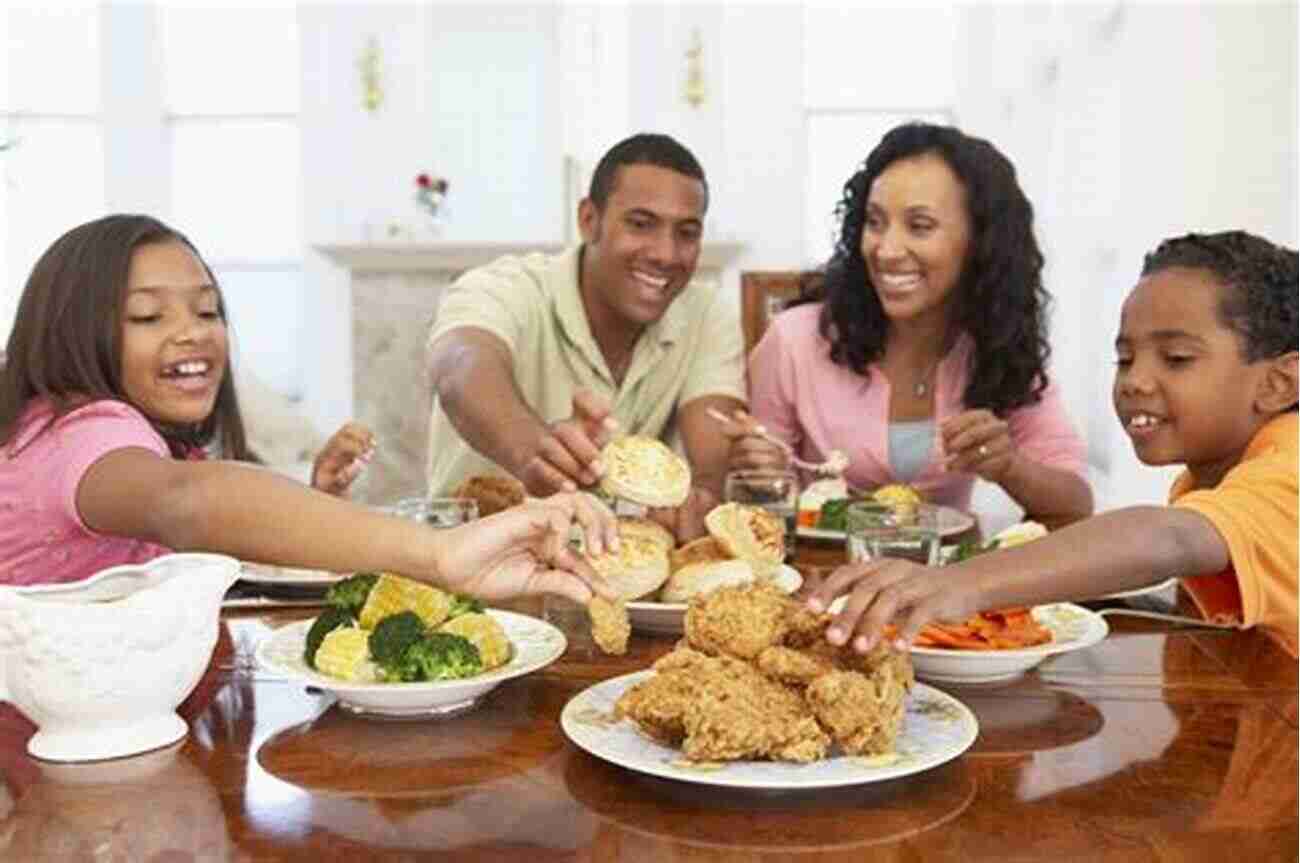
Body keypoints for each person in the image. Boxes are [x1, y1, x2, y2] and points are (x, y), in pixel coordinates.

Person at [0, 214, 618, 606]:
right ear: (72, 329)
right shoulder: (84, 431)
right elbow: (185, 502)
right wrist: (439, 554)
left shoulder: (112, 444)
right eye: (147, 316)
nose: (193, 333)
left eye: (208, 310)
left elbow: (204, 533)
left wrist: (311, 498)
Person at [810, 231, 1298, 657]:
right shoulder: (1212, 476)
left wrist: (961, 581)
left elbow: (1172, 539)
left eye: (1176, 358)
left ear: (1279, 384)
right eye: (1125, 359)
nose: (1135, 381)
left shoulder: (1289, 472)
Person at [726, 122, 1092, 528]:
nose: (886, 249)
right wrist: (762, 474)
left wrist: (1010, 466)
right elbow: (758, 511)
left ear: (980, 242)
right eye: (875, 222)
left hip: (946, 584)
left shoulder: (995, 347)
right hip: (819, 577)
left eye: (920, 226)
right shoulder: (793, 341)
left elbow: (1074, 504)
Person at [425, 133, 747, 541]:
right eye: (641, 224)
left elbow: (711, 448)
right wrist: (532, 451)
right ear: (588, 220)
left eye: (686, 232)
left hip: (611, 578)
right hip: (469, 568)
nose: (665, 253)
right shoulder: (505, 286)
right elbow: (458, 366)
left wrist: (703, 497)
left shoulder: (706, 313)